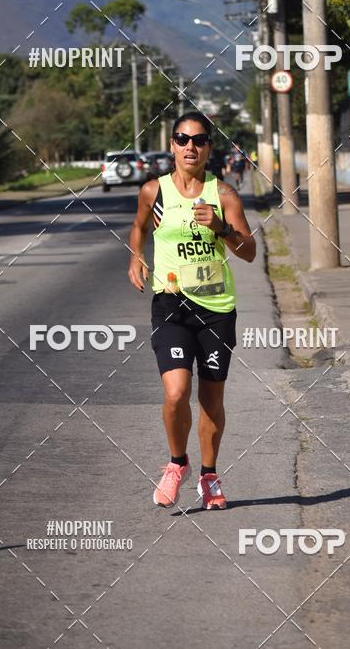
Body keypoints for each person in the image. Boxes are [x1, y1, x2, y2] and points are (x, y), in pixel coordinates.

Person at [128, 113, 256, 510]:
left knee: (211, 400)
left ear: (209, 148)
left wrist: (220, 227)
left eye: (199, 140)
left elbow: (249, 251)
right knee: (176, 392)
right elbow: (139, 226)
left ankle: (209, 474)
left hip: (216, 309)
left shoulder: (224, 194)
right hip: (172, 305)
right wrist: (136, 255)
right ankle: (176, 463)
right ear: (172, 145)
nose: (190, 147)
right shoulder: (154, 191)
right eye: (182, 139)